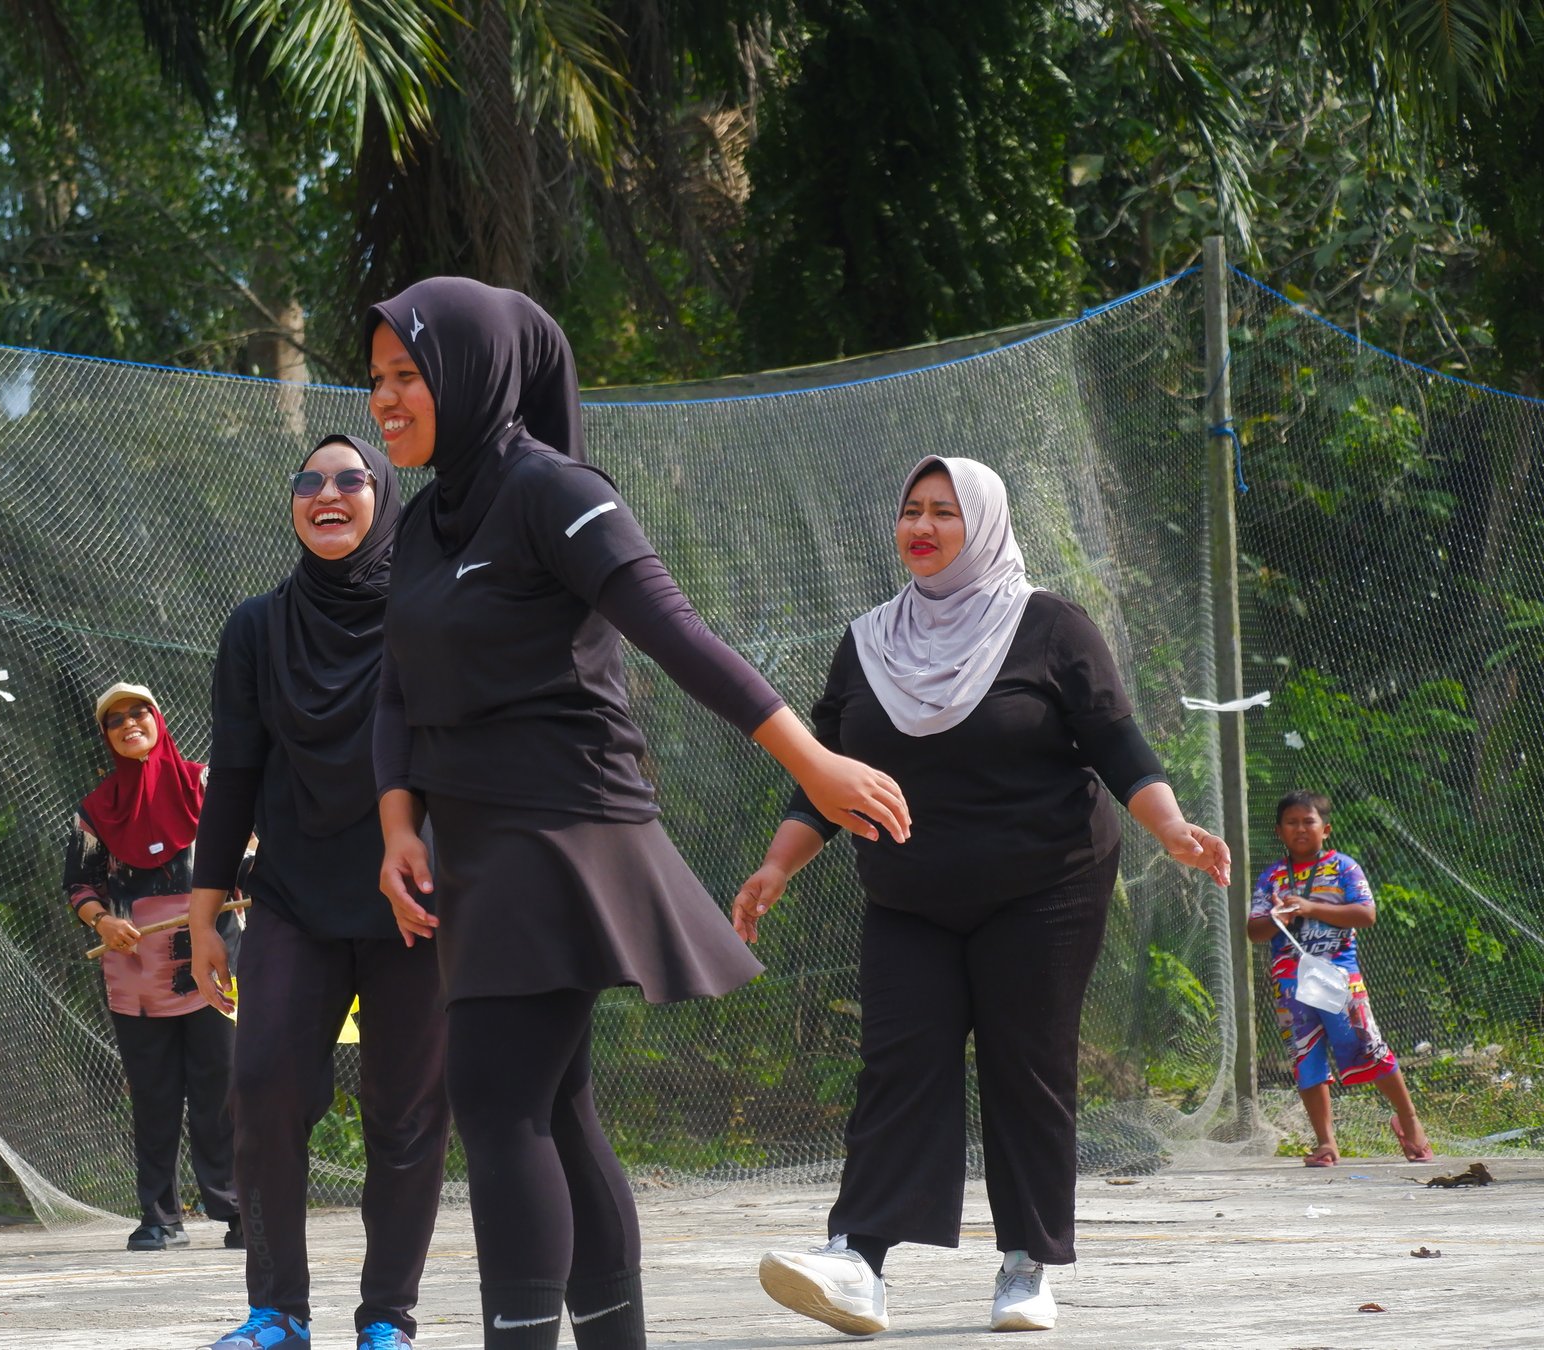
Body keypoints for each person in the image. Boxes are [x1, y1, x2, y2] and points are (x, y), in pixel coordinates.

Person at [365, 276, 912, 1350]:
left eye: (407, 374)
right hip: (474, 837)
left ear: (472, 374)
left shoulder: (551, 488)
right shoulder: (427, 518)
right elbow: (397, 684)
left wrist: (814, 762)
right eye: (376, 379)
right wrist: (396, 827)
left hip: (565, 825)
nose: (386, 400)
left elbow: (674, 630)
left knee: (496, 1098)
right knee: (555, 1104)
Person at [737, 456, 1229, 1337]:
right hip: (908, 893)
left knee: (1026, 1064)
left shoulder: (1049, 627)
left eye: (945, 513)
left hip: (1044, 885)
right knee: (898, 1063)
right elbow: (826, 772)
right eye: (910, 512)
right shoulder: (870, 640)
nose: (922, 528)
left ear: (986, 526)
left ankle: (1026, 1263)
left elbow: (1117, 743)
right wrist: (777, 865)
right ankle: (857, 1260)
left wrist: (1170, 826)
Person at [190, 436, 445, 1350]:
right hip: (293, 897)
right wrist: (203, 912)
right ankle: (276, 1314)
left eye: (350, 480)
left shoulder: (428, 614)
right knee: (261, 1086)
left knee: (406, 1110)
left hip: (413, 900)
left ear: (385, 497)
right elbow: (232, 777)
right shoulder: (256, 629)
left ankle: (387, 1320)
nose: (326, 494)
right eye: (309, 482)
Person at [65, 682, 240, 1253]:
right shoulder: (96, 810)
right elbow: (80, 882)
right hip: (136, 966)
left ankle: (237, 1210)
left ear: (158, 719)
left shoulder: (204, 783)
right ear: (108, 738)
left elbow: (251, 850)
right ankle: (160, 1217)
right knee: (154, 1091)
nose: (128, 723)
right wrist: (102, 921)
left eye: (139, 711)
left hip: (213, 956)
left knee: (222, 1085)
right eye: (115, 719)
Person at [1245, 789, 1433, 1167]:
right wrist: (1279, 916)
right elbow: (1254, 930)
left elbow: (1366, 914)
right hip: (1290, 983)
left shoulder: (1344, 867)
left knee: (1368, 1044)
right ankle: (1326, 1143)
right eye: (1292, 823)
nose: (1300, 829)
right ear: (1279, 831)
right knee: (1306, 1056)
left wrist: (1312, 907)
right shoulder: (1272, 877)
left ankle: (1409, 1120)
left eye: (1308, 822)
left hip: (1339, 977)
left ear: (1325, 829)